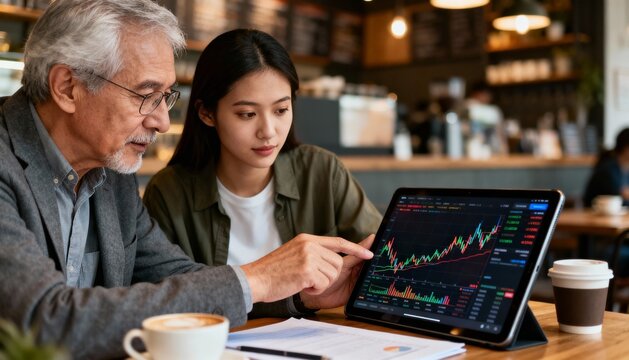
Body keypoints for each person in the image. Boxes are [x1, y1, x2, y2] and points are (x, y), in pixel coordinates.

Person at [0, 1, 374, 359]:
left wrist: (298, 295)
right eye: (146, 95)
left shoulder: (110, 174)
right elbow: (42, 321)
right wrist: (258, 276)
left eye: (166, 97)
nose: (162, 121)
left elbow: (176, 279)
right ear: (68, 87)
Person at [143, 29, 381, 282]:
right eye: (247, 114)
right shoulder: (169, 193)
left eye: (280, 110)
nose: (268, 132)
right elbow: (168, 296)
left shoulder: (322, 172)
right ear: (207, 113)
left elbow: (383, 255)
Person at [583, 127, 629, 207]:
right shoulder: (608, 170)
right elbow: (618, 199)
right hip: (595, 216)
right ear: (626, 147)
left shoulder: (625, 168)